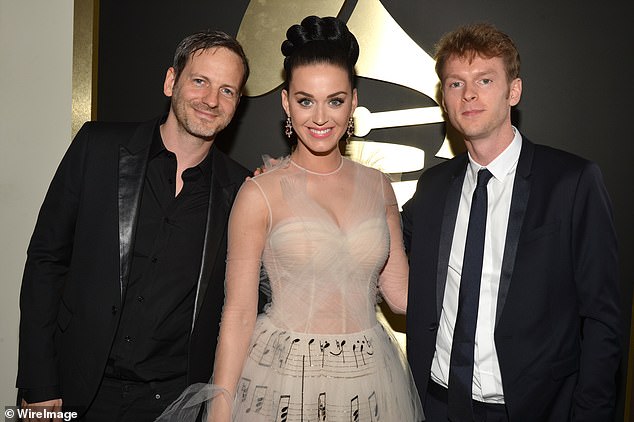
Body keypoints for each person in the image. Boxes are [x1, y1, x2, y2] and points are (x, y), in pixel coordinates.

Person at [157, 15, 423, 422]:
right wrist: (219, 412)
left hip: (369, 380)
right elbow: (239, 313)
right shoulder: (260, 192)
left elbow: (402, 297)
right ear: (286, 102)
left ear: (353, 102)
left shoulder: (379, 187)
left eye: (335, 100)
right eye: (305, 100)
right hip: (282, 379)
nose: (320, 118)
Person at [16, 30, 252, 421]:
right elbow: (46, 261)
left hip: (174, 404)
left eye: (227, 91)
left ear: (237, 104)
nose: (211, 100)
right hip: (71, 392)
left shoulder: (244, 191)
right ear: (170, 81)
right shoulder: (97, 147)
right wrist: (39, 381)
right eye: (200, 81)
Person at [402, 23, 621, 421]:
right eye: (455, 83)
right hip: (435, 403)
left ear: (513, 91)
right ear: (444, 98)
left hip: (531, 409)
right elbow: (374, 241)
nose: (469, 94)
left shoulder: (571, 183)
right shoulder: (433, 187)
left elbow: (604, 319)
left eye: (484, 80)